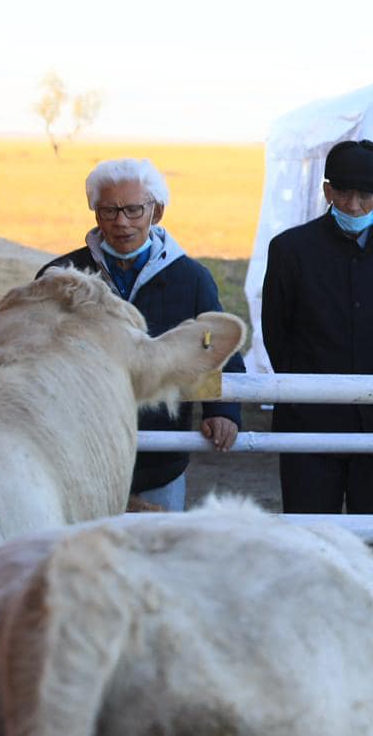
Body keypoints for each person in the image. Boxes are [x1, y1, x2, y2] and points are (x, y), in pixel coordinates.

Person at [40, 158, 244, 510]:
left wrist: (222, 410)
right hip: (79, 455)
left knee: (155, 553)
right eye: (109, 210)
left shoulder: (190, 278)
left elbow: (215, 347)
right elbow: (33, 351)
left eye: (134, 210)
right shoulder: (61, 277)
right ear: (95, 214)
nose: (121, 222)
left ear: (157, 212)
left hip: (159, 461)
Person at [261, 140, 373, 517]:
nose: (353, 205)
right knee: (310, 531)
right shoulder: (290, 249)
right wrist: (305, 388)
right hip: (308, 419)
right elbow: (276, 332)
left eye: (365, 195)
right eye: (344, 193)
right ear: (327, 190)